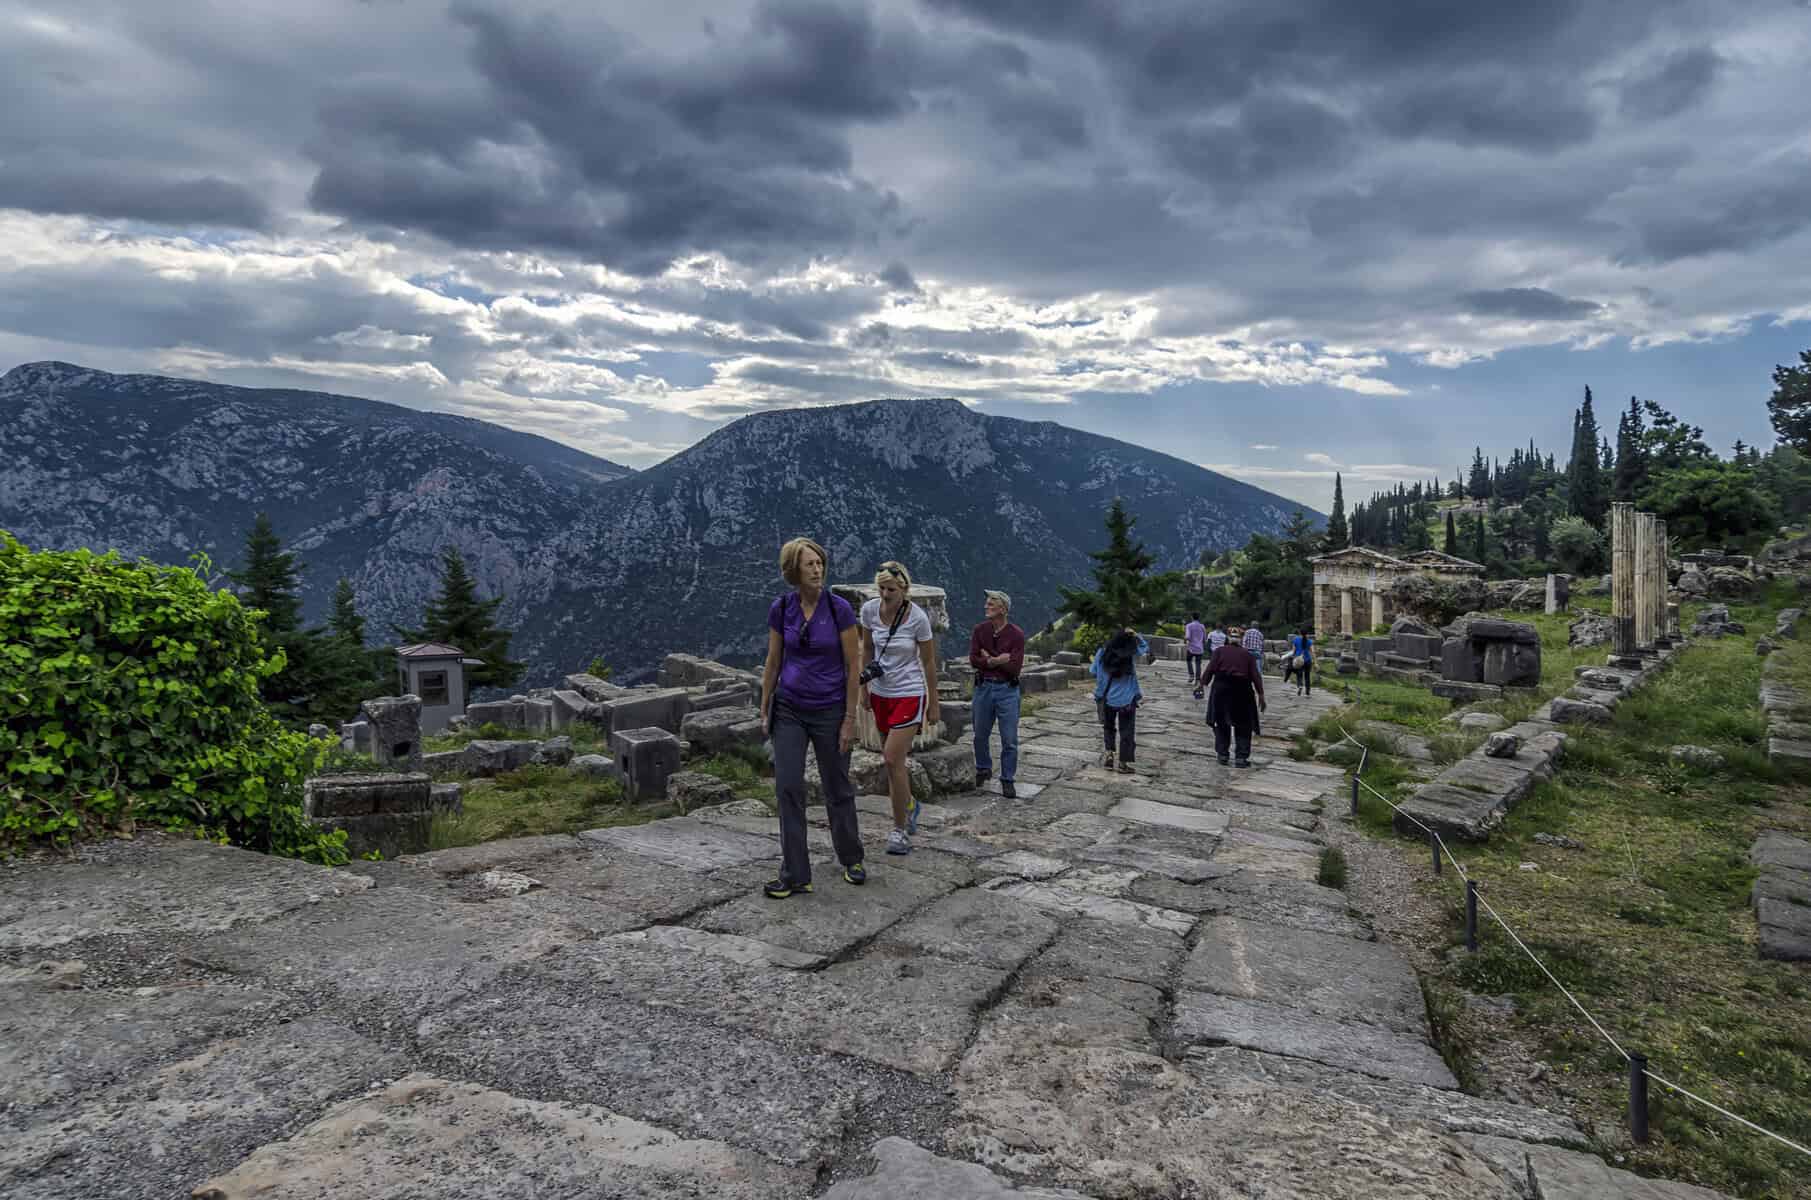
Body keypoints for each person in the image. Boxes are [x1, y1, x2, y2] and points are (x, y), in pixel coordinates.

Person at [760, 537, 865, 898]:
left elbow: (854, 666)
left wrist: (850, 718)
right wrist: (764, 704)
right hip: (789, 707)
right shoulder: (781, 608)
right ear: (794, 570)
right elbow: (774, 660)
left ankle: (851, 857)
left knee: (836, 786)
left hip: (831, 709)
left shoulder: (839, 610)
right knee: (788, 786)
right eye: (809, 564)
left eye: (820, 562)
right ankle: (795, 873)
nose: (817, 569)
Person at [859, 561, 939, 855]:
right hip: (881, 691)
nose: (885, 594)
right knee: (891, 765)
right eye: (881, 588)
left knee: (893, 759)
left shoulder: (917, 618)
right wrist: (863, 690)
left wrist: (934, 703)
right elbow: (866, 648)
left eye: (891, 589)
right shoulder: (869, 610)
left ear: (904, 590)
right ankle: (908, 806)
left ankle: (899, 831)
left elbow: (929, 661)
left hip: (908, 692)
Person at [969, 590, 1024, 799]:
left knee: (1009, 739)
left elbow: (1014, 669)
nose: (986, 606)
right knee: (980, 734)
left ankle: (1007, 779)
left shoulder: (1016, 634)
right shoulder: (979, 630)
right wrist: (998, 659)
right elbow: (973, 659)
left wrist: (988, 659)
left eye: (991, 604)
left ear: (1003, 608)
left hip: (1007, 690)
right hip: (983, 688)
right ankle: (983, 768)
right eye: (987, 603)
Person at [1201, 631, 1266, 768]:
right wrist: (1261, 694)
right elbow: (1255, 675)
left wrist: (1202, 684)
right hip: (1242, 690)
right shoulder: (1248, 655)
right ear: (1241, 640)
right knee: (1243, 724)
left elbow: (1210, 669)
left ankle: (1223, 754)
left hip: (1222, 689)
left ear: (1228, 639)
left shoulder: (1219, 651)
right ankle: (1241, 758)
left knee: (1222, 722)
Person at [1092, 628, 1149, 773]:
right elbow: (1144, 648)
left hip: (1107, 699)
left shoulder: (1102, 652)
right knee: (1127, 731)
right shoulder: (1130, 654)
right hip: (1127, 701)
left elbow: (1092, 672)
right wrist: (1137, 635)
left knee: (1108, 727)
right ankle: (1123, 764)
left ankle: (1109, 756)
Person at [1283, 626, 1314, 696]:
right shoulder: (1309, 641)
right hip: (1307, 660)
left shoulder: (1296, 640)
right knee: (1307, 676)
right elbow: (1312, 652)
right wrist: (1315, 662)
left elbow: (1293, 651)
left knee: (1299, 674)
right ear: (1307, 634)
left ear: (1300, 633)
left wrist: (1289, 657)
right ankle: (1307, 691)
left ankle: (1300, 686)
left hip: (1299, 660)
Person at [1183, 612, 1207, 687]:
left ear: (1192, 617)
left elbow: (1187, 637)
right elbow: (1204, 639)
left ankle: (1191, 675)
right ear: (1199, 618)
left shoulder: (1189, 625)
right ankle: (1198, 679)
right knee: (1198, 664)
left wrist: (1184, 639)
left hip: (1191, 648)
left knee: (1188, 660)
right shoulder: (1202, 626)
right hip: (1200, 648)